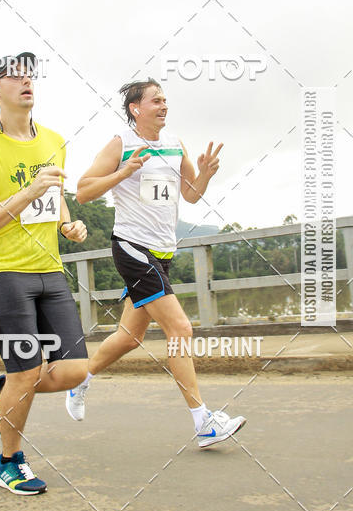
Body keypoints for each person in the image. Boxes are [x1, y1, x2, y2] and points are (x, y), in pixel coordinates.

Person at [66, 78, 246, 447]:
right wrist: (124, 172)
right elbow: (83, 191)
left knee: (130, 337)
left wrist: (207, 173)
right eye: (156, 101)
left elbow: (191, 196)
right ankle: (203, 422)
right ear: (136, 108)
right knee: (180, 330)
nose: (164, 106)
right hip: (133, 248)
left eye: (166, 100)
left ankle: (80, 379)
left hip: (162, 255)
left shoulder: (175, 144)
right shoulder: (121, 143)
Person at [0, 51, 88, 494]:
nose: (25, 81)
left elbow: (53, 197)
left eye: (30, 74)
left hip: (49, 270)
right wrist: (26, 192)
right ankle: (9, 461)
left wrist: (67, 222)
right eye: (14, 75)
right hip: (1, 273)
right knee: (27, 371)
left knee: (74, 370)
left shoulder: (54, 140)